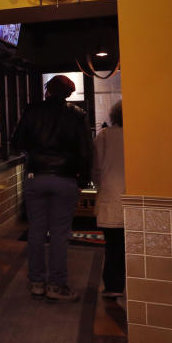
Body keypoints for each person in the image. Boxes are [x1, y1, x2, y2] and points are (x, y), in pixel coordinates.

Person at [13, 74, 92, 302]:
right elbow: (85, 152)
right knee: (59, 234)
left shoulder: (32, 111)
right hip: (64, 179)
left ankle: (37, 282)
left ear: (48, 90)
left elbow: (17, 142)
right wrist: (83, 181)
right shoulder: (77, 116)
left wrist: (35, 150)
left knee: (36, 231)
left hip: (35, 177)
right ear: (68, 93)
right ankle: (56, 286)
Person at [93, 100, 125, 298]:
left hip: (110, 197)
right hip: (134, 198)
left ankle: (113, 286)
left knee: (113, 245)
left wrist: (99, 186)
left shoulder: (104, 136)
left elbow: (95, 167)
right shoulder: (141, 135)